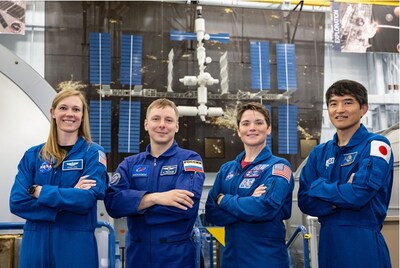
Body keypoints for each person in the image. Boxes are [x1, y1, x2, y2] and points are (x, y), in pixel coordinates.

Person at [298, 79, 394, 268]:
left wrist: (320, 187)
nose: (339, 109)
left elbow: (358, 195)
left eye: (348, 102)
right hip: (328, 244)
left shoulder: (376, 145)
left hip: (363, 244)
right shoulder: (319, 153)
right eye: (333, 104)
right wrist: (342, 194)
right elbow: (305, 201)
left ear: (363, 108)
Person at [9, 88, 108, 268]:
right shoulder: (33, 155)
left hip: (75, 247)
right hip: (35, 246)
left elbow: (86, 199)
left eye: (76, 109)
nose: (69, 114)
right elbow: (17, 201)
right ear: (53, 112)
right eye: (63, 108)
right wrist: (68, 198)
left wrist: (40, 191)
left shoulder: (93, 153)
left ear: (83, 115)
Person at [104, 98, 205, 268]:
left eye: (169, 120)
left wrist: (135, 206)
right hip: (138, 256)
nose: (162, 125)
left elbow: (185, 208)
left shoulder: (190, 159)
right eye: (156, 119)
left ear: (177, 126)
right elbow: (113, 204)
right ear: (146, 124)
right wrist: (156, 198)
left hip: (176, 257)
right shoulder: (129, 164)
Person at [205, 102, 295, 268]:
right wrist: (248, 202)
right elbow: (211, 212)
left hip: (266, 259)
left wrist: (224, 201)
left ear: (268, 129)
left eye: (259, 123)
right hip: (231, 259)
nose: (252, 128)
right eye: (246, 124)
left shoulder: (279, 167)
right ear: (239, 131)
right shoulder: (227, 169)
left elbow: (264, 208)